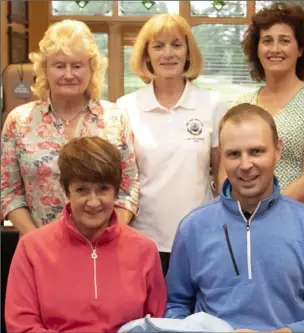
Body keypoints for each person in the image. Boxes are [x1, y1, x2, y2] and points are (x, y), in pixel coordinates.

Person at [165, 104, 304, 332]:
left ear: (277, 150)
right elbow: (176, 306)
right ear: (221, 157)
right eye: (233, 154)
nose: (245, 165)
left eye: (256, 151)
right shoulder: (192, 227)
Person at [5, 136, 166, 333]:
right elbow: (21, 326)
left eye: (103, 189)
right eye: (82, 190)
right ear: (66, 191)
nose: (93, 202)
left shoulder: (145, 250)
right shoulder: (31, 248)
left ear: (116, 191)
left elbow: (157, 323)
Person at [1, 20, 139, 235]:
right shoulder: (18, 121)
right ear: (44, 69)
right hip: (39, 251)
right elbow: (9, 193)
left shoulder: (116, 118)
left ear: (92, 69)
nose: (68, 74)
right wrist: (36, 241)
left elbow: (129, 188)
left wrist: (110, 236)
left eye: (77, 66)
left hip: (102, 247)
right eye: (59, 65)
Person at [116, 14, 228, 275]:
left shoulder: (212, 104)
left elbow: (223, 174)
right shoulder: (125, 107)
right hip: (142, 239)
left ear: (188, 52)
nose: (168, 54)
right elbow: (121, 179)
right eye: (158, 46)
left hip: (200, 238)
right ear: (147, 56)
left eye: (176, 45)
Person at [232, 2, 304, 211]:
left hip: (297, 219)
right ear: (257, 49)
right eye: (267, 41)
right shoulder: (241, 104)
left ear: (300, 49)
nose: (275, 49)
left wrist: (264, 211)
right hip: (245, 219)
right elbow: (228, 171)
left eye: (284, 41)